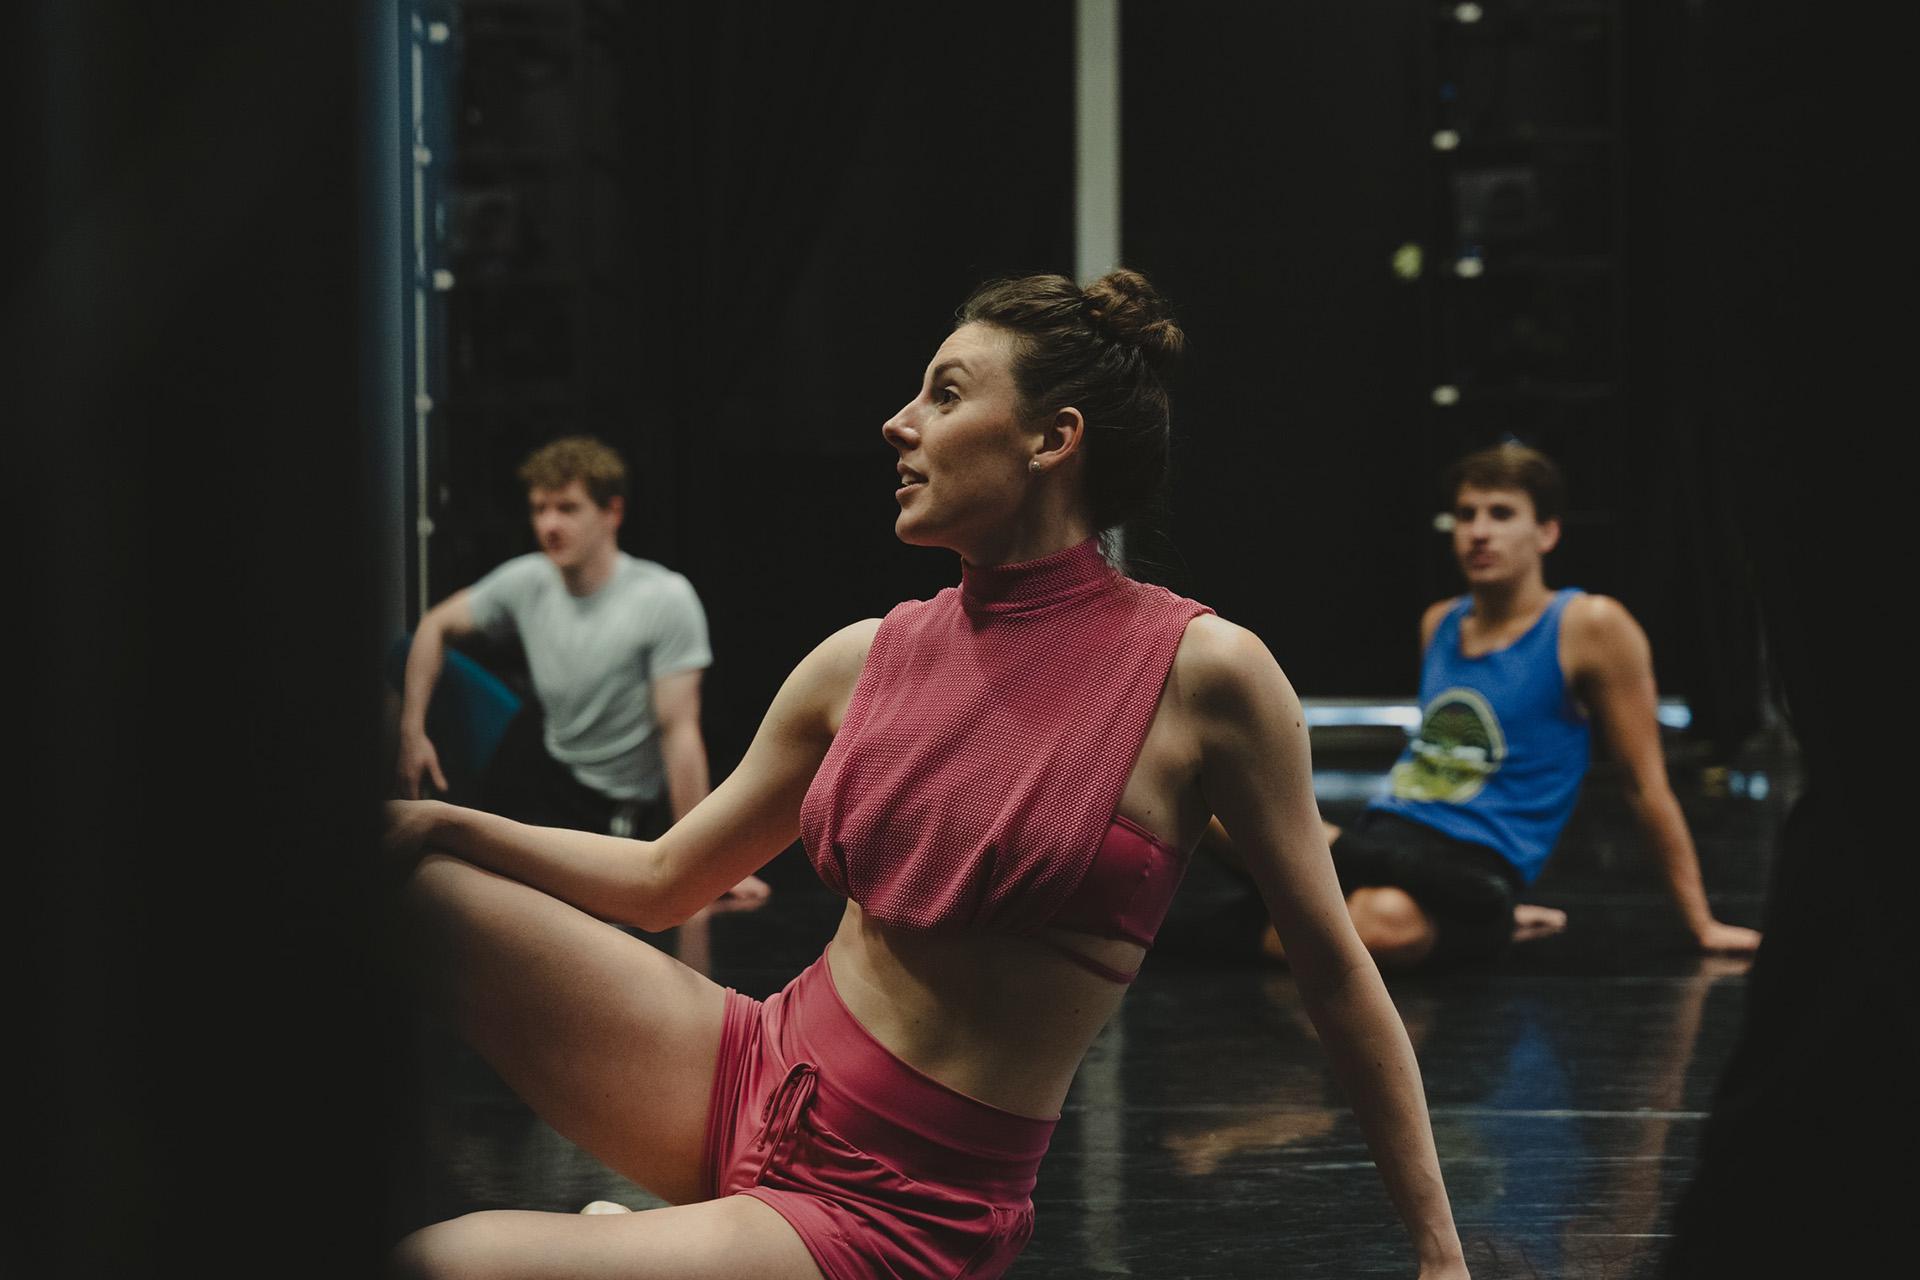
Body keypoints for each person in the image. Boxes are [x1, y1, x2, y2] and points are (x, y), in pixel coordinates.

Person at [382, 272, 1471, 1279]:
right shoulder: (863, 657)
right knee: (396, 889)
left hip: (899, 1207)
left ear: (1054, 437)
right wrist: (440, 825)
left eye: (943, 395)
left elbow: (1334, 973)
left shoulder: (1207, 675)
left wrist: (1440, 1254)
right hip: (750, 1067)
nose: (899, 424)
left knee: (444, 1261)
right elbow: (666, 875)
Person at [1239, 442, 1762, 972]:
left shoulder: (1591, 626)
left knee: (1379, 919)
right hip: (1388, 835)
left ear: (1547, 533)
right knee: (1221, 822)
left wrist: (1701, 923)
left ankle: (1318, 874)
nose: (1479, 532)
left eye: (1502, 514)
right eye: (1466, 515)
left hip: (1474, 858)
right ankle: (1450, 895)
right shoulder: (1438, 623)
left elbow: (1644, 784)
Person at [394, 435, 768, 906]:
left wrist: (708, 867)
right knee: (398, 656)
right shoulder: (527, 580)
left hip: (612, 798)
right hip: (541, 764)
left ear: (612, 513)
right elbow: (435, 625)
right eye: (539, 509)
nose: (549, 524)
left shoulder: (663, 599)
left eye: (567, 509)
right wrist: (413, 733)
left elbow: (680, 734)